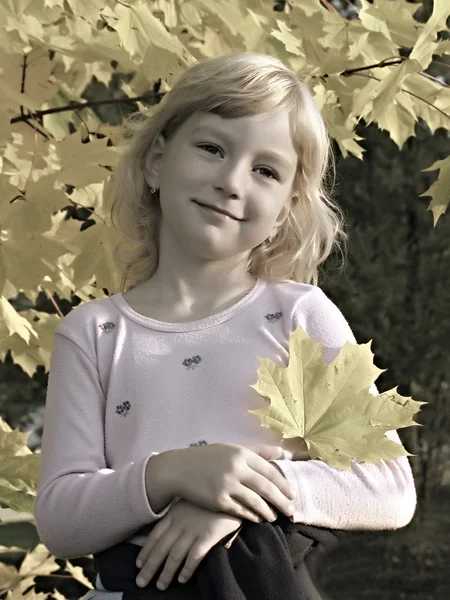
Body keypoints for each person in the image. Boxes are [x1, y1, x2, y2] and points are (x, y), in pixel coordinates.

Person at [34, 52, 417, 599]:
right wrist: (173, 473)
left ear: (285, 208)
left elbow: (387, 486)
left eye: (266, 170)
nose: (233, 181)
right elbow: (60, 518)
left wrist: (238, 498)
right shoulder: (93, 333)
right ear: (156, 162)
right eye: (212, 148)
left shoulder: (298, 316)